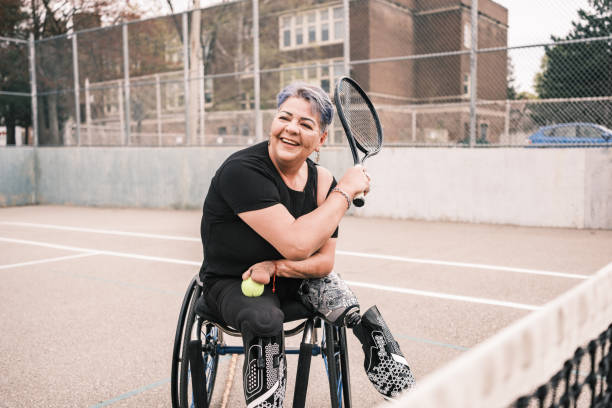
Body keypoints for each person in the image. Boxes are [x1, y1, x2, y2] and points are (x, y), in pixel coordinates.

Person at [199, 82, 415, 407]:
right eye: (285, 117)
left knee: (344, 300)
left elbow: (324, 263)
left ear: (321, 139)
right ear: (273, 122)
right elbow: (297, 244)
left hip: (290, 279)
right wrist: (345, 192)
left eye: (305, 124)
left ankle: (390, 370)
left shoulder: (323, 181)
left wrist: (276, 267)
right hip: (234, 282)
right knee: (264, 321)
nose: (290, 129)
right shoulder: (241, 171)